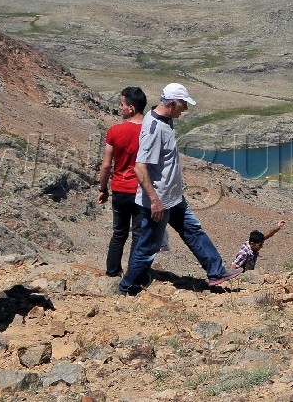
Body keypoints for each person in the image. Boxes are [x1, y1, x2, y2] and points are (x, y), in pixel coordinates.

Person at [119, 83, 241, 295]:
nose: (185, 109)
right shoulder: (155, 129)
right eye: (183, 105)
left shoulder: (164, 118)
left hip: (173, 198)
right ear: (172, 103)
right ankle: (127, 286)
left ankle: (216, 271)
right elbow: (140, 167)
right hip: (158, 202)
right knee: (148, 247)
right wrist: (154, 200)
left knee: (193, 231)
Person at [98, 86, 147, 277]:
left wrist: (103, 188)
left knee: (119, 233)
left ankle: (112, 271)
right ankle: (134, 275)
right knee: (138, 235)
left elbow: (106, 165)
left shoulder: (115, 131)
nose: (120, 108)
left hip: (119, 188)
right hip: (140, 190)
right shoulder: (150, 131)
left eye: (122, 104)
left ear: (131, 108)